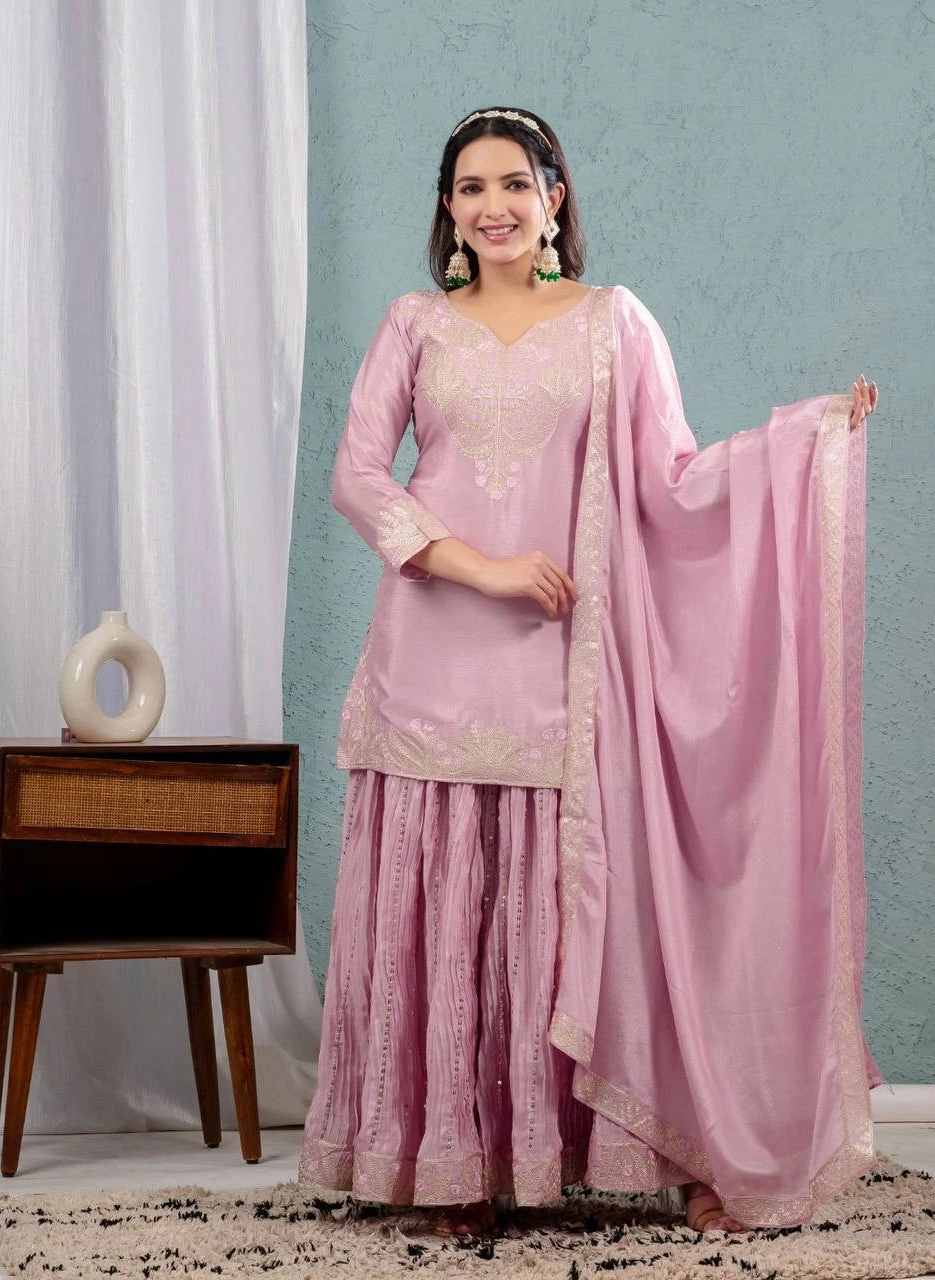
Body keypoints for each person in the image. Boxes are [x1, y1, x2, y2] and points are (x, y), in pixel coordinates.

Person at [297, 105, 881, 1239]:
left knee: (569, 910)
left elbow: (672, 482)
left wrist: (802, 447)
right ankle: (449, 1168)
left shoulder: (615, 324)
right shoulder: (415, 323)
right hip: (428, 660)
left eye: (516, 183)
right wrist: (484, 567)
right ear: (449, 209)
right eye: (470, 188)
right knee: (443, 910)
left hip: (562, 678)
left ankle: (597, 1151)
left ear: (555, 197)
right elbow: (358, 475)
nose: (494, 206)